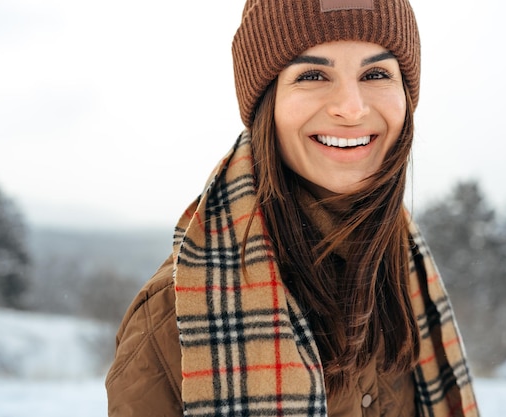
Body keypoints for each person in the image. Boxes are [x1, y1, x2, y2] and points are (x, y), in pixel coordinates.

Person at [106, 0, 480, 416]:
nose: (351, 107)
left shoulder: (403, 277)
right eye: (313, 75)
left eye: (376, 74)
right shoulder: (172, 317)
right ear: (267, 104)